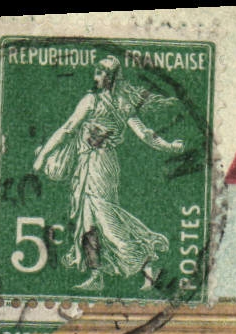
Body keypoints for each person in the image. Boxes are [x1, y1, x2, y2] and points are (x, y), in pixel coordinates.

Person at [32, 54, 184, 292]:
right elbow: (69, 128)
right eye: (97, 71)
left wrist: (169, 147)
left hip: (100, 166)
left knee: (106, 219)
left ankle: (145, 260)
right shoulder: (101, 101)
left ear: (111, 77)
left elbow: (143, 134)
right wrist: (169, 146)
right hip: (89, 164)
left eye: (102, 72)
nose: (97, 76)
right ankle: (97, 275)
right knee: (88, 222)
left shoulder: (105, 103)